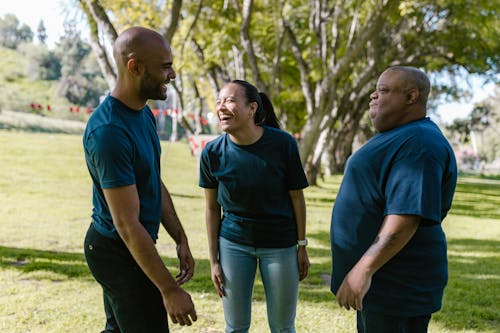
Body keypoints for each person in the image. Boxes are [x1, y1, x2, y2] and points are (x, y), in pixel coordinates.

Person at [83, 26, 197, 332]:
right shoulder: (109, 132)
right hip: (116, 251)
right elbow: (127, 224)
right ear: (134, 66)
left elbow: (153, 183)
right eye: (165, 66)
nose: (172, 75)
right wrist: (169, 290)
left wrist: (180, 238)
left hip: (130, 246)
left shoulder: (144, 113)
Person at [330, 66, 458, 333]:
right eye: (375, 90)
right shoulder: (399, 136)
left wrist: (363, 269)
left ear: (411, 97)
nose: (373, 96)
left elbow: (405, 217)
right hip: (381, 287)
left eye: (384, 90)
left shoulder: (419, 143)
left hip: (397, 287)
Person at [199, 80, 310, 333]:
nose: (221, 107)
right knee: (235, 326)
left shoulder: (283, 144)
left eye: (229, 100)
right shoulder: (212, 153)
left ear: (252, 108)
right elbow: (212, 209)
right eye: (219, 102)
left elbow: (296, 198)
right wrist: (214, 259)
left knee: (283, 327)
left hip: (280, 245)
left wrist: (301, 246)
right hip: (233, 245)